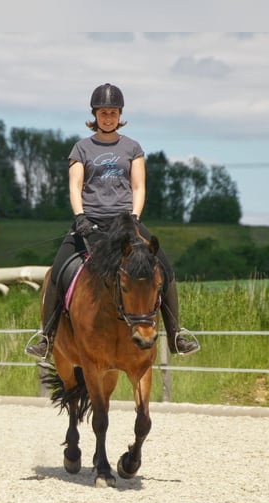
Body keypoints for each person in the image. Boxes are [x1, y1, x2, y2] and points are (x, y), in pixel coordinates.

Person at [25, 83, 200, 362]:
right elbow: (75, 186)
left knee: (164, 268)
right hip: (89, 221)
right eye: (103, 112)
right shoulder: (81, 148)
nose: (108, 117)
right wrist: (79, 217)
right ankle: (46, 337)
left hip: (125, 221)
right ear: (95, 114)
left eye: (113, 112)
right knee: (58, 271)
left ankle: (176, 335)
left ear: (120, 115)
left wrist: (135, 217)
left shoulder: (132, 147)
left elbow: (139, 187)